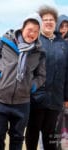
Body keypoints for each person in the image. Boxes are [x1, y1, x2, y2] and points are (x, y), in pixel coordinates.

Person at [0, 13, 46, 150]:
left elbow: (41, 75)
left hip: (22, 102)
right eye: (30, 29)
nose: (32, 34)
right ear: (22, 28)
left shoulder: (39, 52)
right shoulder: (4, 41)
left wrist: (32, 86)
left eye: (36, 31)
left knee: (17, 137)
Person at [25, 5, 68, 150]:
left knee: (50, 137)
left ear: (55, 22)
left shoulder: (63, 44)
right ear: (40, 22)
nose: (49, 22)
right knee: (32, 134)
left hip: (56, 98)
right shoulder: (34, 41)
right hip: (35, 97)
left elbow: (67, 72)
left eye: (51, 19)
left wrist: (66, 96)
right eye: (45, 19)